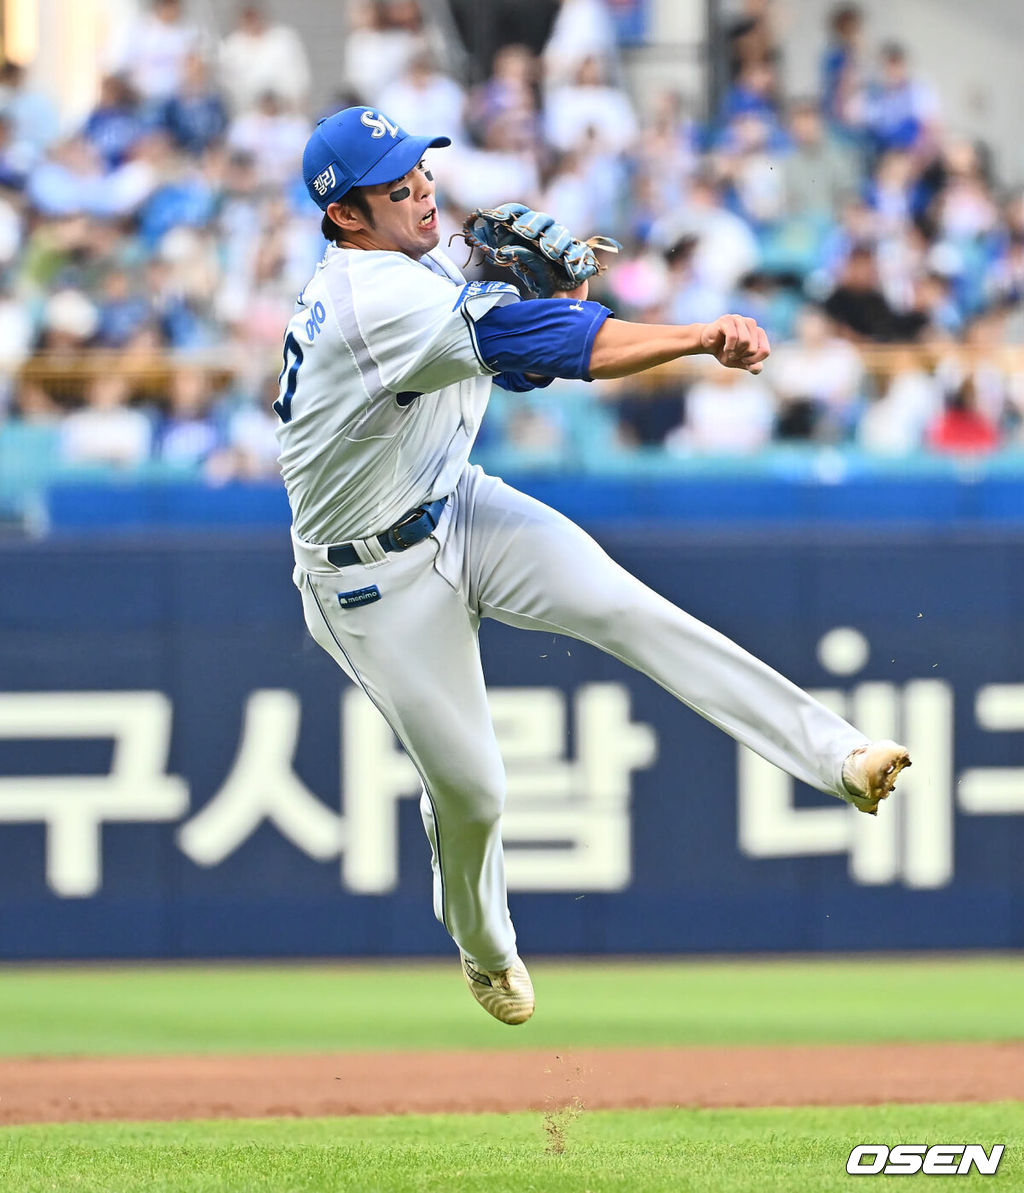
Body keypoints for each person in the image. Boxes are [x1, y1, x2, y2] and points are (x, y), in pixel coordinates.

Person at [278, 106, 911, 1025]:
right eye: (393, 185)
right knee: (472, 791)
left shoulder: (419, 276)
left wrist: (543, 304)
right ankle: (484, 945)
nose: (420, 191)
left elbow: (514, 346)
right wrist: (694, 337)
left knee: (629, 607)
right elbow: (554, 349)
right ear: (345, 216)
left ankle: (839, 756)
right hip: (366, 582)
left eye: (420, 171)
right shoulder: (376, 300)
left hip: (458, 505)